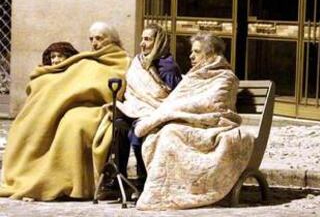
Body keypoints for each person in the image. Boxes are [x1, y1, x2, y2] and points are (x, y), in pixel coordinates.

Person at [0, 22, 130, 201]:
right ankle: (40, 174)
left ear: (113, 40)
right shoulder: (88, 58)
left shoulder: (122, 60)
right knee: (47, 117)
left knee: (74, 124)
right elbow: (68, 78)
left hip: (99, 108)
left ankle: (75, 186)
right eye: (91, 39)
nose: (94, 43)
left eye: (99, 38)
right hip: (75, 104)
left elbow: (108, 86)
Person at [132, 31, 255, 210]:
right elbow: (175, 100)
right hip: (192, 124)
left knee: (170, 132)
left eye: (197, 52)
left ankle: (169, 194)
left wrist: (175, 112)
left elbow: (212, 103)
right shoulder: (192, 76)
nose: (191, 56)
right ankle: (168, 190)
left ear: (211, 53)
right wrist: (167, 113)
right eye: (192, 51)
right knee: (158, 133)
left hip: (211, 127)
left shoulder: (226, 78)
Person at [108, 23, 181, 192]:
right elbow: (133, 91)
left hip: (157, 113)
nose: (142, 44)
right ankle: (118, 179)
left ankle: (144, 181)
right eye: (142, 39)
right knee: (118, 126)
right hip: (135, 110)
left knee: (139, 131)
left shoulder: (168, 66)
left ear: (159, 42)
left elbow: (171, 98)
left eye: (147, 39)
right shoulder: (138, 62)